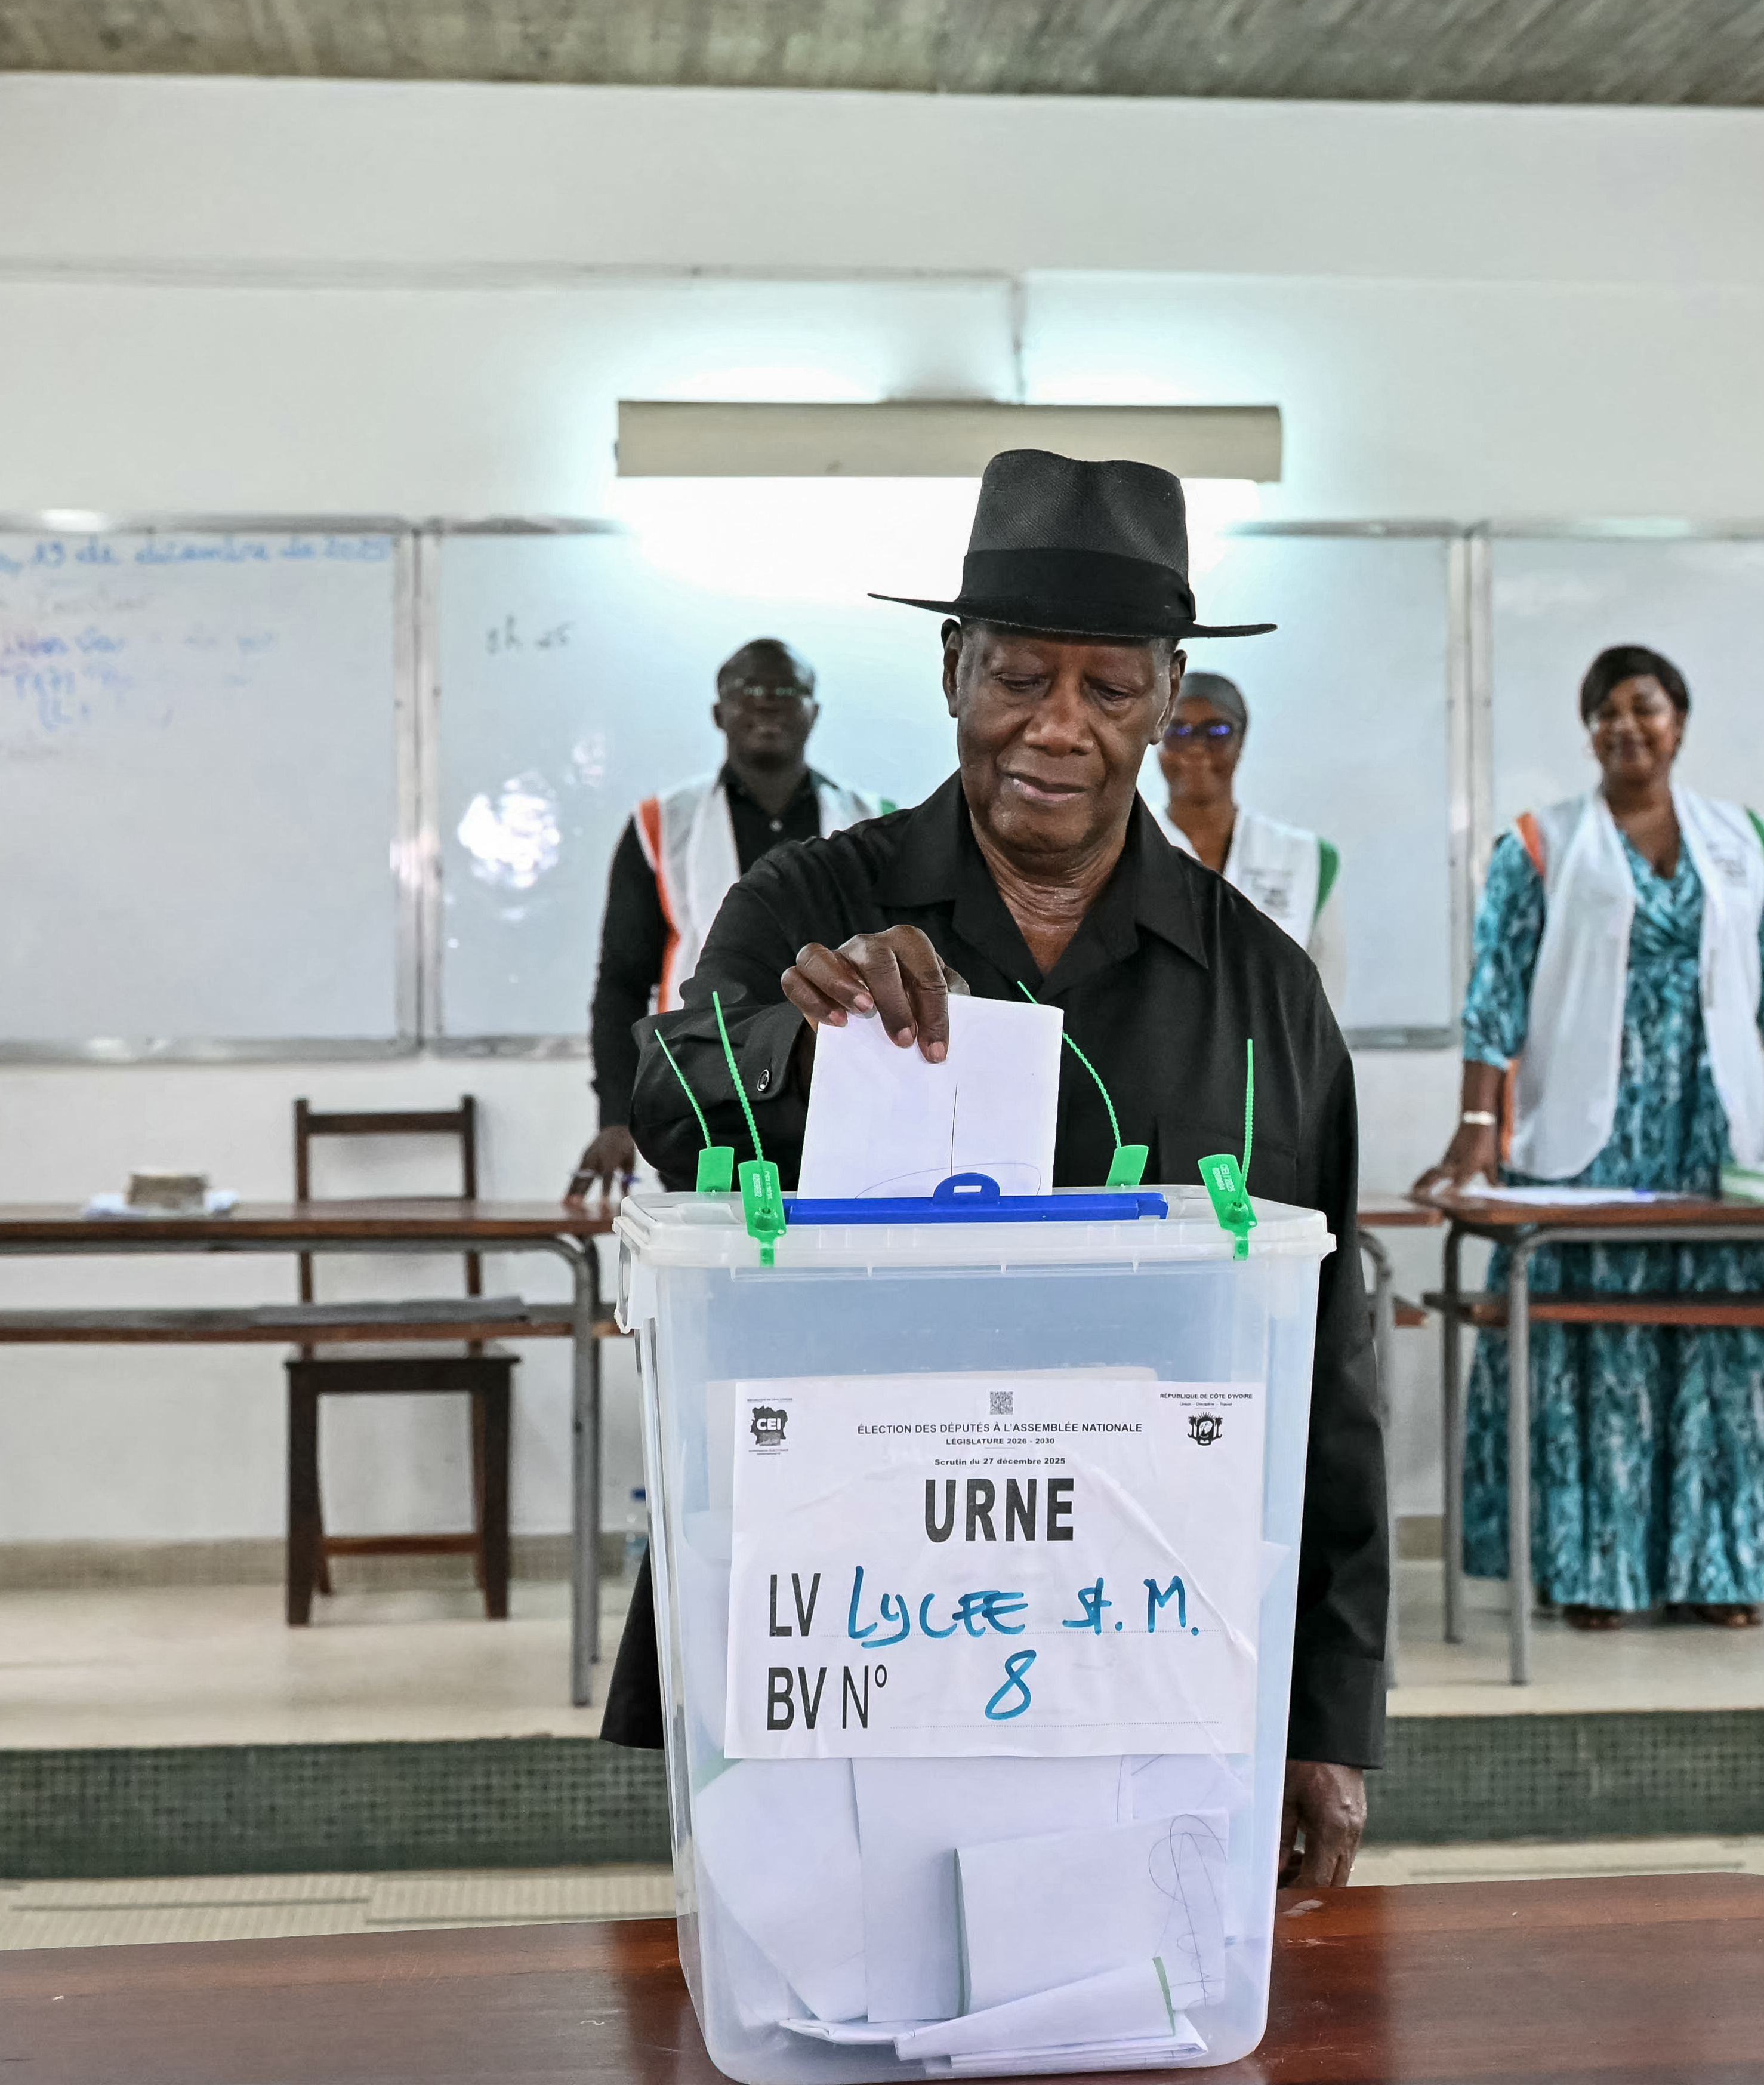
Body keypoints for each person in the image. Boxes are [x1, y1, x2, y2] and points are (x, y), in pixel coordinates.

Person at [605, 451, 1387, 1886]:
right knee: (824, 1977)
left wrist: (1327, 1710)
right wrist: (805, 1033)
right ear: (954, 668)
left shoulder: (1261, 991)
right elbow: (673, 1096)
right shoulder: (812, 898)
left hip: (1139, 1640)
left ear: (1166, 695)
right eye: (1020, 677)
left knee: (1121, 1979)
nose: (1058, 727)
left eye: (1109, 687)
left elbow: (1327, 1360)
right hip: (845, 1620)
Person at [1410, 646, 1764, 1631]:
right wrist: (1476, 1129)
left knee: (1718, 1347)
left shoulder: (1739, 839)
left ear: (1679, 720)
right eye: (1604, 712)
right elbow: (1494, 998)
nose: (1625, 726)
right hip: (1590, 1143)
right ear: (1589, 735)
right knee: (1596, 1349)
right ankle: (1591, 1571)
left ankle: (1719, 1571)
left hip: (1710, 1140)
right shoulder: (1540, 842)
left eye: (1644, 707)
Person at [568, 639, 900, 1202]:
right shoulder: (661, 824)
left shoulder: (875, 823)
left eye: (787, 690)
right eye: (748, 690)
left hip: (843, 1096)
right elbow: (623, 983)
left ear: (814, 712)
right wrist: (617, 1116)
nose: (767, 702)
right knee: (715, 1253)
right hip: (704, 1105)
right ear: (718, 712)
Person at [1154, 670, 1347, 1006]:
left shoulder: (1305, 859)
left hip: (1275, 1041)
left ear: (1241, 742)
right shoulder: (1120, 849)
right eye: (1177, 730)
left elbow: (1325, 996)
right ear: (1156, 738)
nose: (1196, 747)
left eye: (1217, 731)